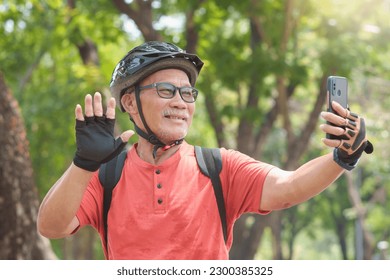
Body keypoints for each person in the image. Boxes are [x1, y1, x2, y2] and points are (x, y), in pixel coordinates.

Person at [37, 41, 373, 260]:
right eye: (167, 90)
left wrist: (343, 156)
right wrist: (84, 165)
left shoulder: (219, 167)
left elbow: (288, 187)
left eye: (188, 94)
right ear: (130, 102)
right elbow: (51, 227)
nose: (181, 103)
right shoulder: (107, 174)